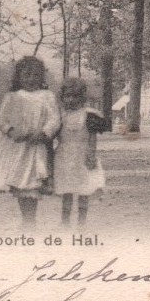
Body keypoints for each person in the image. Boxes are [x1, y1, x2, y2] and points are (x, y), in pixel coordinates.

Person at [0, 56, 61, 227]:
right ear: (19, 77)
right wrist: (11, 131)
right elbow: (1, 119)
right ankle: (26, 219)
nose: (31, 79)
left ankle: (31, 219)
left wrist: (44, 133)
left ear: (41, 77)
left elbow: (54, 119)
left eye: (36, 75)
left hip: (37, 146)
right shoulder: (12, 97)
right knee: (21, 184)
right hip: (18, 147)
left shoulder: (47, 96)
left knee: (32, 183)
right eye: (26, 75)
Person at [53, 78, 109, 227]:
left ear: (82, 97)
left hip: (83, 155)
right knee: (67, 190)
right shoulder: (59, 116)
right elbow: (53, 135)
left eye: (76, 96)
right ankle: (65, 222)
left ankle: (81, 223)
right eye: (68, 96)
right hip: (64, 156)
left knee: (84, 190)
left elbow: (92, 137)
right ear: (62, 97)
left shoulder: (89, 115)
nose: (72, 100)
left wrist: (91, 153)